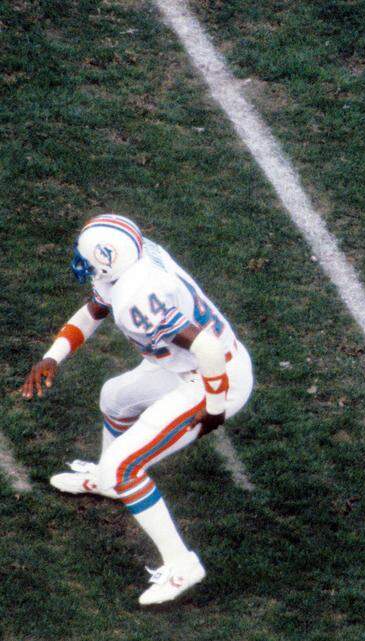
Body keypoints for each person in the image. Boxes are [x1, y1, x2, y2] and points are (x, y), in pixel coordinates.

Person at [20, 214, 254, 605]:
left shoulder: (137, 297)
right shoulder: (134, 260)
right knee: (114, 397)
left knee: (125, 466)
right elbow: (94, 310)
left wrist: (215, 409)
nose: (83, 264)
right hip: (183, 365)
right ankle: (108, 482)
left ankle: (181, 565)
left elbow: (207, 348)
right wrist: (53, 356)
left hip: (214, 375)